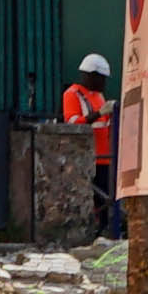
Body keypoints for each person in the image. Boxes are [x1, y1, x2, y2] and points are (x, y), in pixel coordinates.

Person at [58, 50, 121, 242]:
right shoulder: (72, 94)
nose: (103, 83)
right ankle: (94, 231)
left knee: (105, 195)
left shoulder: (98, 95)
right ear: (90, 75)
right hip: (89, 156)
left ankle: (104, 229)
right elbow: (74, 122)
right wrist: (101, 113)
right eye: (101, 78)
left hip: (104, 155)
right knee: (95, 196)